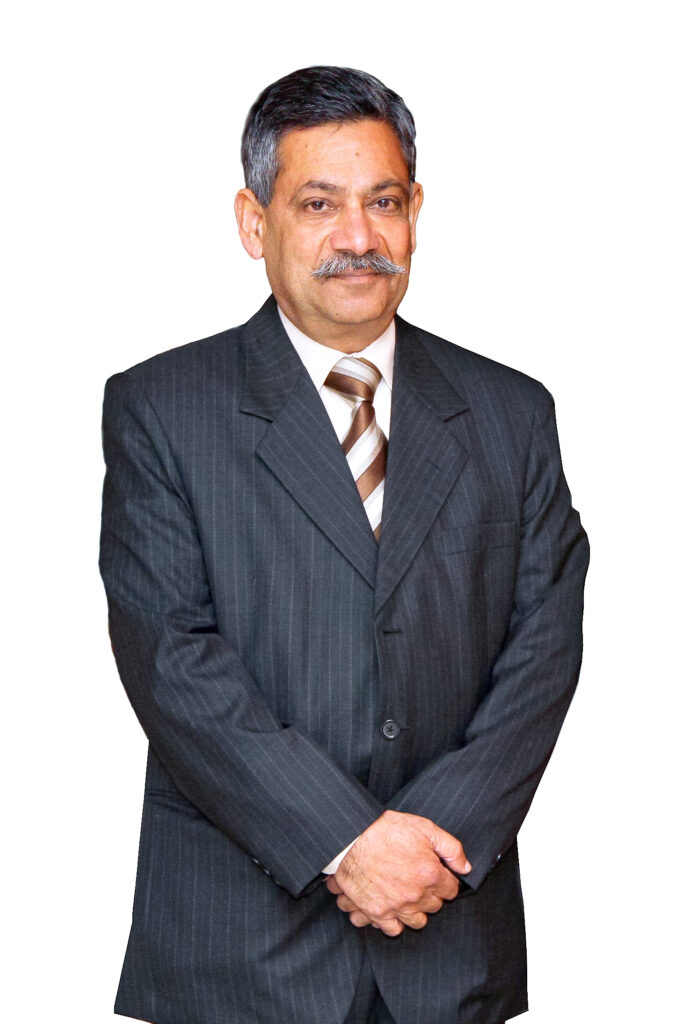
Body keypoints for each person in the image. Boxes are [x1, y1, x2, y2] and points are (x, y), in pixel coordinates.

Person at [99, 65, 589, 1024]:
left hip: (448, 939)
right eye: (318, 204)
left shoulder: (511, 413)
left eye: (384, 202)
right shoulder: (162, 409)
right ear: (254, 223)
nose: (358, 237)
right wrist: (346, 842)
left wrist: (430, 843)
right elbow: (171, 659)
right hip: (240, 954)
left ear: (416, 214)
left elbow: (543, 650)